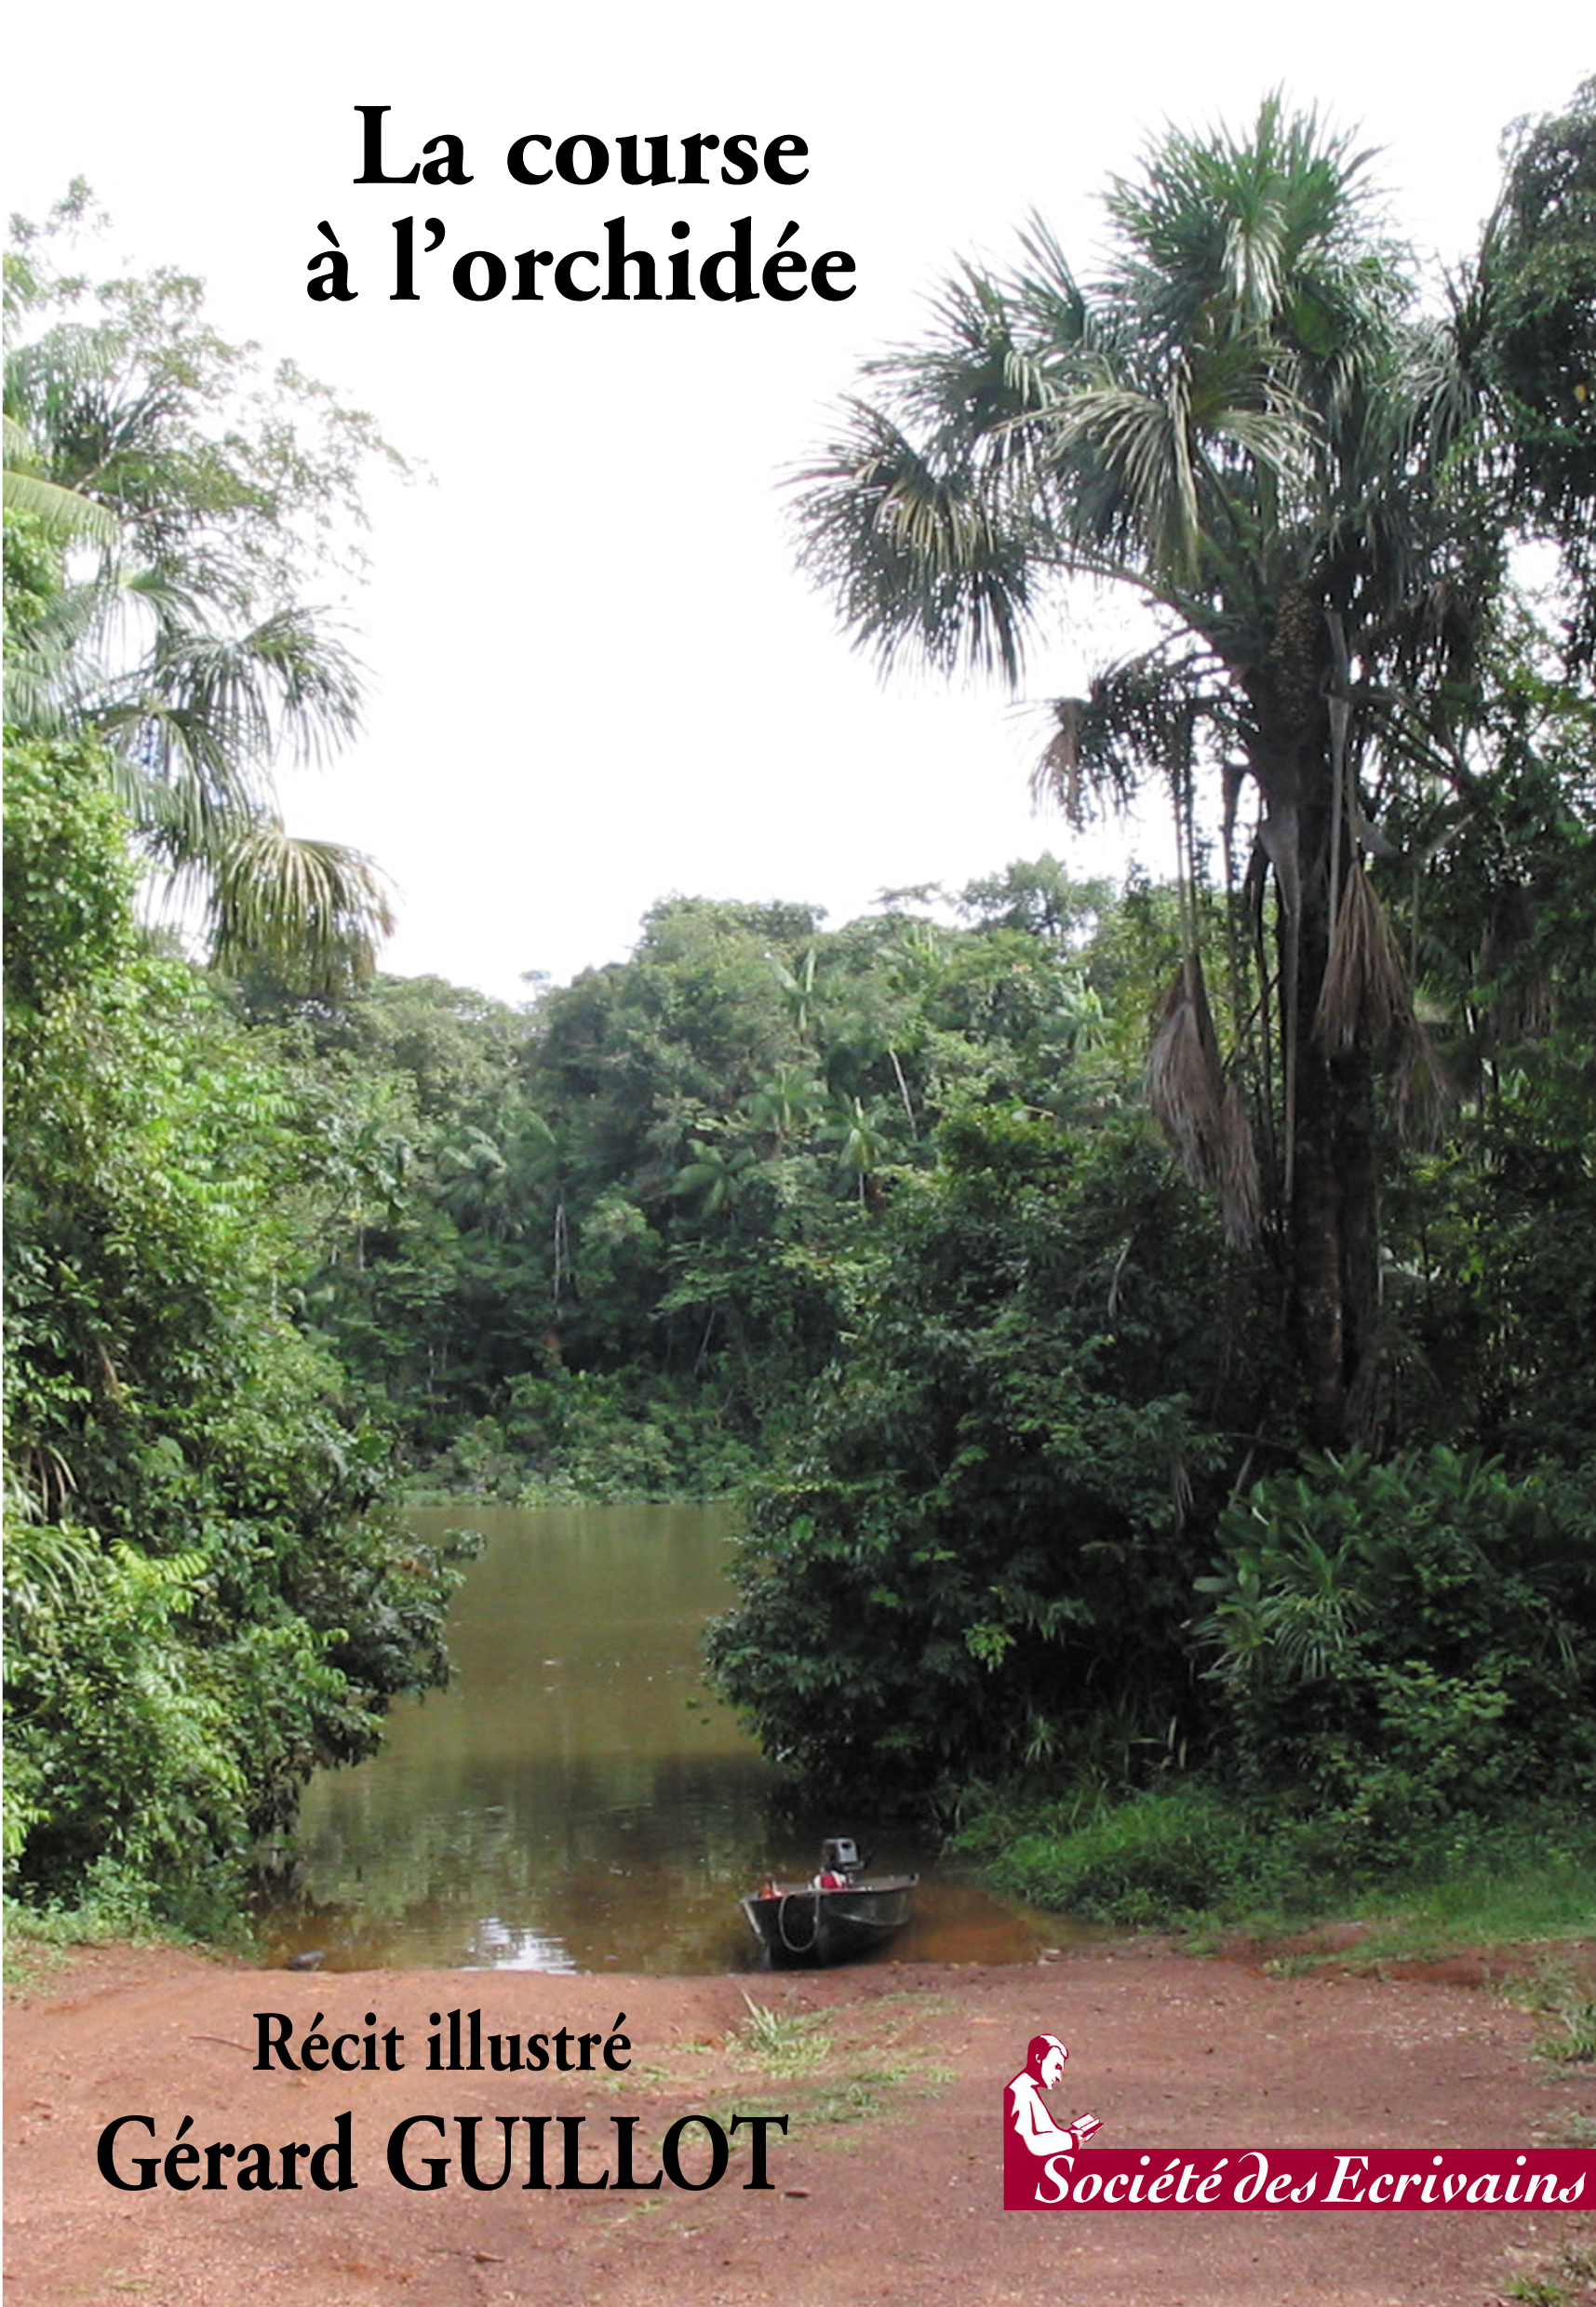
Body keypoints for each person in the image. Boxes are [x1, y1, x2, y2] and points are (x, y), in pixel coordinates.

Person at [1007, 2033, 1101, 2156]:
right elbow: (1032, 2144)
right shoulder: (1021, 2091)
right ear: (1038, 2058)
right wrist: (1073, 2139)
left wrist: (1076, 2134)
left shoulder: (1028, 2090)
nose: (1059, 2077)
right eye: (1056, 2067)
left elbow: (1047, 2133)